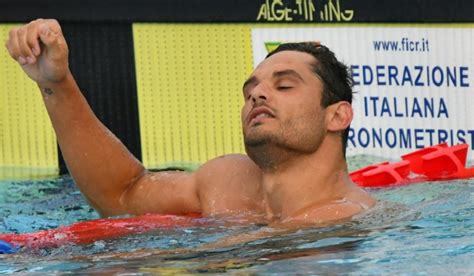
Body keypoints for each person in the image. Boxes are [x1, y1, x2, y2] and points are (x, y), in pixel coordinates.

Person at [5, 19, 375, 227]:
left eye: (284, 85)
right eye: (251, 90)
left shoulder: (345, 217)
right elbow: (123, 195)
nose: (258, 95)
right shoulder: (228, 181)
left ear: (337, 115)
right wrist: (56, 83)